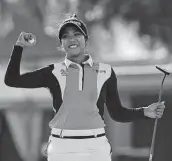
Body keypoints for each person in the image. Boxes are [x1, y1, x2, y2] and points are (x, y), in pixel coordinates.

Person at [4, 14, 165, 161]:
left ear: (86, 40)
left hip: (96, 148)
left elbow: (117, 113)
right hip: (62, 148)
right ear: (62, 44)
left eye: (76, 34)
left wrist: (145, 111)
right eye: (65, 36)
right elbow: (12, 80)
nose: (71, 39)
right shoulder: (53, 72)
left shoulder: (106, 72)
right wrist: (19, 47)